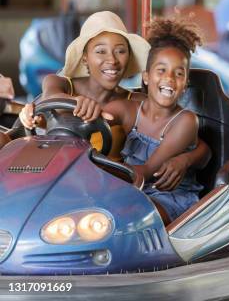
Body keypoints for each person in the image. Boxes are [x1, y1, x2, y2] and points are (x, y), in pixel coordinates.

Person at [2, 12, 207, 185]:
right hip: (53, 174)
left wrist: (185, 159)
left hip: (102, 183)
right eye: (100, 51)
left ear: (129, 58)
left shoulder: (133, 103)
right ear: (85, 58)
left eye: (120, 51)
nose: (112, 60)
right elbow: (50, 96)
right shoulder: (61, 84)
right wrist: (70, 104)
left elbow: (201, 147)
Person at [104, 18, 209, 225]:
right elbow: (93, 119)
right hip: (133, 193)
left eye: (179, 73)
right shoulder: (127, 109)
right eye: (161, 70)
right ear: (145, 76)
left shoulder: (185, 121)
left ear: (185, 84)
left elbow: (147, 170)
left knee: (125, 219)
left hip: (167, 198)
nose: (169, 78)